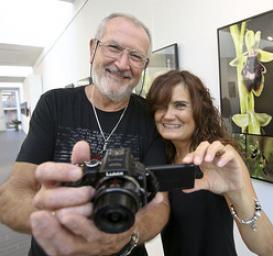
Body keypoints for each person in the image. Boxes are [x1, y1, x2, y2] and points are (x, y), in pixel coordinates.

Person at [0, 13, 170, 256]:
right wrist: (57, 217)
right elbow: (11, 195)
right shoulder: (54, 104)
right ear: (93, 49)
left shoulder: (149, 116)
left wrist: (127, 235)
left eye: (135, 56)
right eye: (114, 47)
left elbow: (160, 203)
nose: (123, 64)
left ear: (144, 65)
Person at [146, 70, 273, 256]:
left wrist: (237, 193)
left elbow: (267, 249)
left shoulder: (219, 157)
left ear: (199, 109)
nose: (167, 115)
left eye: (180, 105)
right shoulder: (162, 158)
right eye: (161, 107)